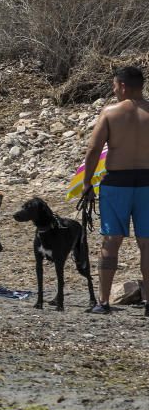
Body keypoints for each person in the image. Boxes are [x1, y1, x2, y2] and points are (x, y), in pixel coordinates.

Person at [81, 65, 149, 315]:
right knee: (147, 244)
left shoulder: (110, 113)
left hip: (117, 183)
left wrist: (87, 183)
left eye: (114, 87)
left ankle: (104, 301)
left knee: (111, 241)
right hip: (147, 183)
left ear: (122, 86)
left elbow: (93, 150)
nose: (114, 91)